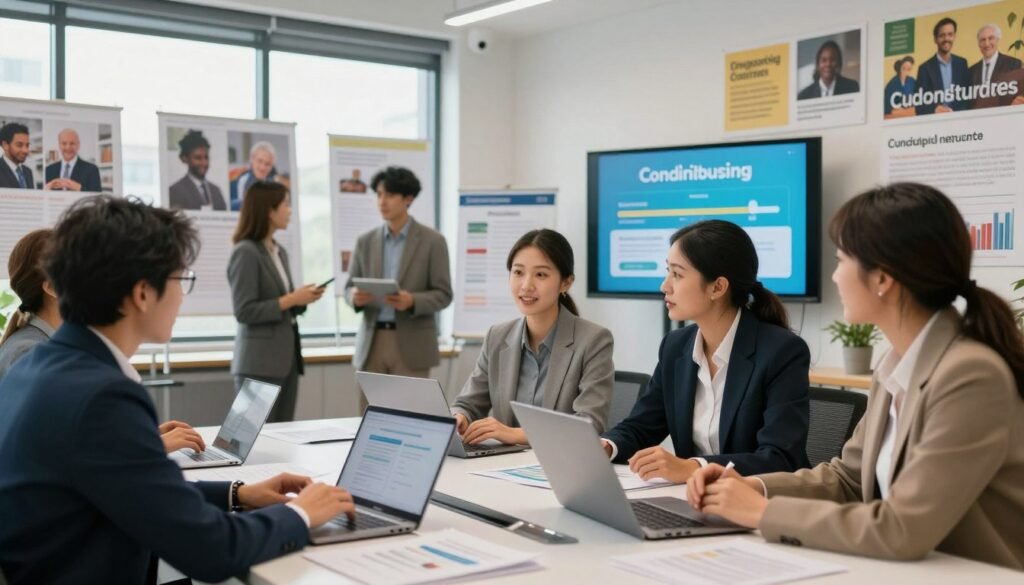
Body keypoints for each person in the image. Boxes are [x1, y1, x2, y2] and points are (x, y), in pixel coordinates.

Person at [0, 196, 355, 584]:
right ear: (142, 293)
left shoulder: (37, 365)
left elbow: (136, 492)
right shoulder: (102, 396)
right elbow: (214, 551)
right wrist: (300, 514)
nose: (182, 296)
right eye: (179, 279)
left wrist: (239, 493)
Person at [687, 183, 1024, 570]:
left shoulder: (970, 375)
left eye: (841, 260)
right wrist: (753, 486)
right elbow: (847, 480)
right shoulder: (895, 363)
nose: (834, 277)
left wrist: (761, 513)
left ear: (883, 278)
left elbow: (902, 529)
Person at [600, 220, 811, 484]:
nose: (664, 286)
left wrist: (694, 467)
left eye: (677, 274)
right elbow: (642, 426)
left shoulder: (782, 351)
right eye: (668, 272)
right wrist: (607, 445)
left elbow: (780, 459)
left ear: (717, 287)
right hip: (695, 500)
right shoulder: (675, 347)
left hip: (761, 505)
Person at [0, 227, 207, 454]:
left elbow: (76, 435)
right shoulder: (30, 353)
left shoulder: (52, 347)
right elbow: (57, 451)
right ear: (51, 288)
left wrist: (143, 437)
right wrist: (152, 446)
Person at [451, 229, 614, 445]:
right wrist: (460, 417)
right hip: (500, 466)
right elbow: (468, 402)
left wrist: (513, 434)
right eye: (518, 272)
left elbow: (589, 423)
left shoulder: (594, 340)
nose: (526, 285)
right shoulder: (497, 337)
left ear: (566, 283)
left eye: (541, 275)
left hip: (560, 467)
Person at [345, 166, 452, 412]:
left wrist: (412, 301)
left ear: (408, 198)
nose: (382, 202)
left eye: (390, 195)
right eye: (379, 194)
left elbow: (444, 294)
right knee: (369, 417)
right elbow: (349, 286)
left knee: (411, 417)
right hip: (372, 341)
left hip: (412, 342)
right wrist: (354, 297)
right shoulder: (365, 241)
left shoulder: (433, 241)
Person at [228, 181, 323, 422]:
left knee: (281, 439)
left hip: (286, 361)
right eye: (285, 205)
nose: (290, 211)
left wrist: (301, 299)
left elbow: (283, 304)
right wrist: (291, 298)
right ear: (269, 211)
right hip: (258, 364)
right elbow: (244, 311)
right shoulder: (246, 252)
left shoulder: (279, 251)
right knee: (250, 443)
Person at [916, 17, 971, 114]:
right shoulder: (924, 69)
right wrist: (934, 109)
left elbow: (968, 97)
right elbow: (919, 105)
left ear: (954, 36)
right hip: (935, 124)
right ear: (935, 39)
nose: (946, 39)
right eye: (942, 35)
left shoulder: (962, 64)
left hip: (960, 122)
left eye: (950, 34)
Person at [168, 129, 227, 211]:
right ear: (185, 158)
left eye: (206, 157)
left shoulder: (216, 191)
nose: (204, 163)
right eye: (198, 158)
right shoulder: (175, 191)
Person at [969, 24, 1023, 109]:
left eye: (991, 38)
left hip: (1005, 116)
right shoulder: (971, 71)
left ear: (998, 40)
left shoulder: (1013, 64)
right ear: (979, 44)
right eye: (983, 40)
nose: (987, 43)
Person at [230, 141, 277, 211]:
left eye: (267, 164)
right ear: (252, 159)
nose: (262, 167)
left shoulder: (274, 186)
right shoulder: (239, 181)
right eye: (259, 161)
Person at [0, 122, 33, 189]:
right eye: (19, 145)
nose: (25, 150)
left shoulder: (28, 172)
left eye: (27, 145)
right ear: (5, 145)